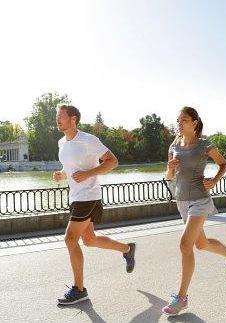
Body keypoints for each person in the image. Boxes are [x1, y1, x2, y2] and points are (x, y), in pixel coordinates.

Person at [162, 106, 226, 316]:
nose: (179, 123)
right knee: (201, 244)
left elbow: (223, 164)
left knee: (184, 245)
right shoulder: (174, 145)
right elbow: (169, 177)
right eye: (178, 120)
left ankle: (181, 298)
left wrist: (215, 180)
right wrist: (171, 168)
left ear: (194, 123)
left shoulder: (203, 144)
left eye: (183, 120)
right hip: (181, 200)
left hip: (199, 199)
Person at [54, 104, 136, 305]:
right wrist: (62, 174)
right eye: (57, 116)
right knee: (89, 240)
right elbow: (71, 168)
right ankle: (127, 249)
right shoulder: (61, 142)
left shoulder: (88, 140)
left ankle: (79, 289)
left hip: (88, 196)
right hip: (75, 196)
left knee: (70, 239)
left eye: (61, 116)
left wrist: (88, 175)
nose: (57, 119)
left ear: (73, 119)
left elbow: (112, 161)